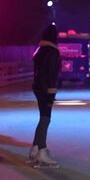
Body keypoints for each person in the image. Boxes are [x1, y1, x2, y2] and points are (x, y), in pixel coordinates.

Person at [28, 24, 61, 167]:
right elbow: (52, 73)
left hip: (37, 87)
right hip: (46, 88)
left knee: (43, 118)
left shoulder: (39, 50)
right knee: (45, 119)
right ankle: (42, 150)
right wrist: (52, 91)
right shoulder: (53, 52)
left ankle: (35, 149)